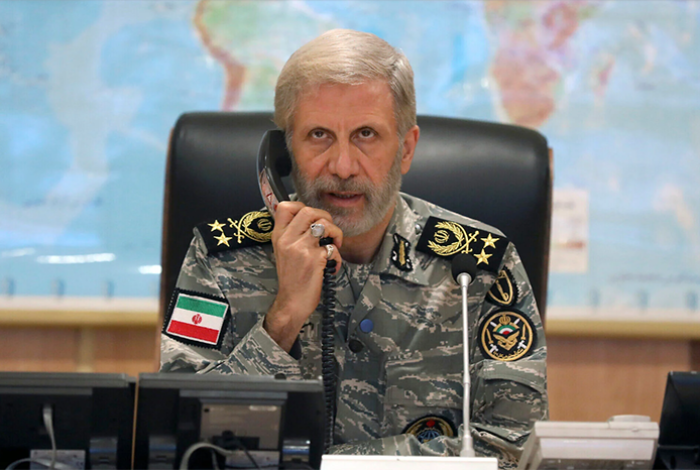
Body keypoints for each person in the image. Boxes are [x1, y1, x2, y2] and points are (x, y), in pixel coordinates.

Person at [160, 29, 547, 468]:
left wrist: (326, 463)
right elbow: (181, 444)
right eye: (319, 135)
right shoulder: (221, 259)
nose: (343, 167)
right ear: (284, 152)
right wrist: (282, 319)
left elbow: (513, 447)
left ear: (405, 149)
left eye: (366, 134)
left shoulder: (475, 268)